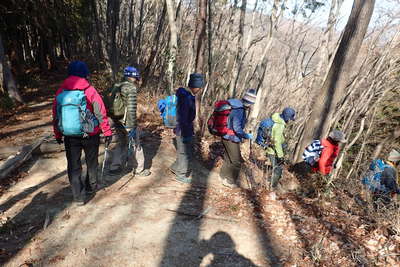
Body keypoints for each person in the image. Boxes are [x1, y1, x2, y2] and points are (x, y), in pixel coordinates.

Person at [52, 61, 112, 205]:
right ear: (85, 74)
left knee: (74, 164)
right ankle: (91, 187)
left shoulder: (61, 91)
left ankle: (78, 196)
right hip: (90, 134)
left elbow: (56, 115)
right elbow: (100, 112)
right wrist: (107, 131)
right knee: (91, 161)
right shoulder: (90, 90)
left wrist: (58, 134)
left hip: (70, 135)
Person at [108, 66, 150, 177]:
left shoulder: (117, 85)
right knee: (137, 144)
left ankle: (114, 167)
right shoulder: (131, 88)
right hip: (127, 122)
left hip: (116, 120)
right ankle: (139, 169)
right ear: (134, 76)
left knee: (121, 143)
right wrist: (132, 126)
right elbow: (131, 109)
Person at [170, 73, 204, 183]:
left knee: (185, 152)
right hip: (183, 130)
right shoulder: (187, 98)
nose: (200, 90)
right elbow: (183, 117)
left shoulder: (186, 96)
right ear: (195, 87)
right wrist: (184, 132)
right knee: (184, 153)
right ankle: (181, 174)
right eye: (199, 87)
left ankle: (175, 167)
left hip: (185, 129)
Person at [219, 89, 257, 188]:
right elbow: (237, 127)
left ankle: (222, 176)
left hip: (225, 135)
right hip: (231, 137)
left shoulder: (236, 105)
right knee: (236, 161)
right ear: (249, 103)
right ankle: (230, 181)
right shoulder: (239, 110)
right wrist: (245, 135)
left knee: (228, 158)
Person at [266, 107, 296, 188]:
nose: (290, 120)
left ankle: (268, 182)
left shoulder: (277, 119)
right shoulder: (280, 125)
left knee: (275, 167)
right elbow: (277, 142)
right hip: (272, 150)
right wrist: (280, 155)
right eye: (290, 118)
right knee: (278, 170)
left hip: (271, 148)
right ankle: (271, 187)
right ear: (287, 117)